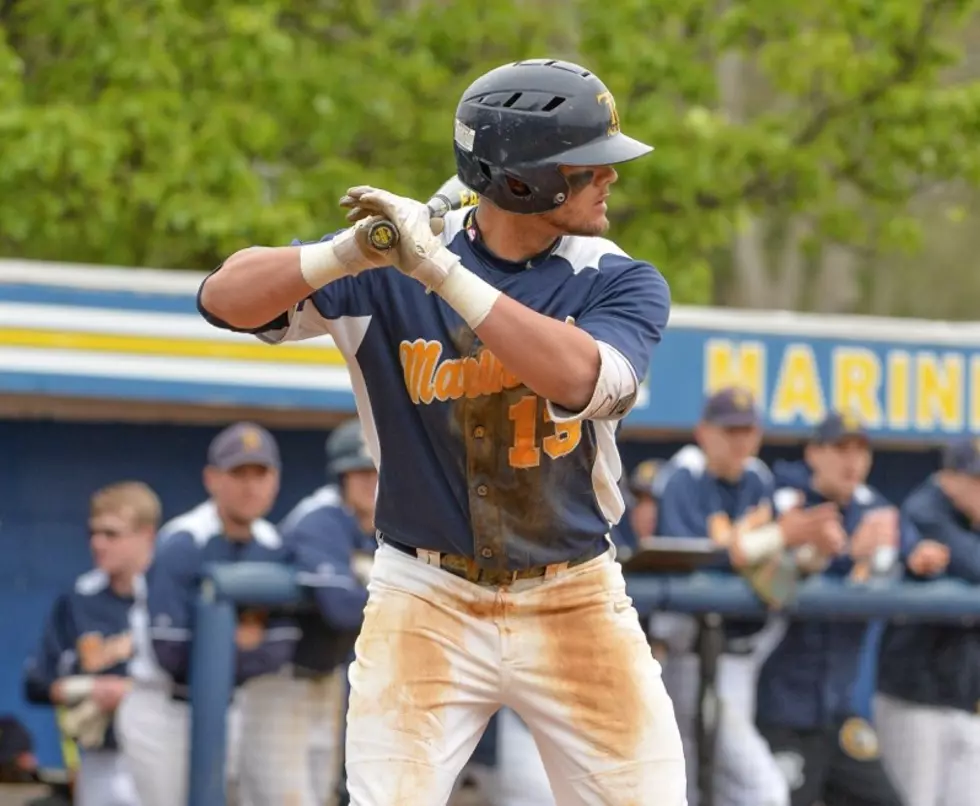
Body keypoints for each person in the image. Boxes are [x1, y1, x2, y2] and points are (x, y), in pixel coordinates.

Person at [198, 57, 685, 806]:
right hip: (426, 594)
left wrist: (437, 272)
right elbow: (222, 300)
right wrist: (351, 251)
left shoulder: (617, 278)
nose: (609, 178)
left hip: (573, 590)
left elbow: (582, 379)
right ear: (524, 181)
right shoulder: (395, 261)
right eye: (589, 166)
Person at [652, 388, 831, 806]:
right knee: (758, 789)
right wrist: (776, 537)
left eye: (748, 430)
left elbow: (771, 571)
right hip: (689, 655)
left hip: (744, 659)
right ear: (703, 432)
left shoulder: (757, 477)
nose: (740, 440)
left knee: (710, 788)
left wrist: (808, 554)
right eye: (729, 430)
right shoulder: (684, 474)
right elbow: (692, 558)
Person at [115, 422, 303, 806]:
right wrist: (246, 640)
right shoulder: (182, 540)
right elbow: (172, 653)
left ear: (275, 481)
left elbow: (283, 647)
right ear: (212, 479)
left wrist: (219, 646)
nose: (250, 486)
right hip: (166, 713)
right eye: (238, 473)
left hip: (233, 709)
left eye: (260, 473)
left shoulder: (274, 544)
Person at [759, 413, 917, 806]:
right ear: (813, 452)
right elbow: (779, 578)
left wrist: (917, 556)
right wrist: (849, 555)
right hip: (782, 704)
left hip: (841, 709)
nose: (852, 461)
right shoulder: (785, 500)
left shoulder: (874, 506)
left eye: (861, 450)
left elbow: (911, 550)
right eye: (840, 448)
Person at [23, 482, 159, 806]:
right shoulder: (79, 599)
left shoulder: (170, 596)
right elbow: (37, 684)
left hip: (161, 751)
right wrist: (90, 689)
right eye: (93, 533)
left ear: (146, 535)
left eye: (112, 534)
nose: (99, 543)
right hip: (99, 758)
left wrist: (129, 693)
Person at [278, 418, 380, 806]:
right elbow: (340, 608)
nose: (370, 481)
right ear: (340, 476)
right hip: (278, 682)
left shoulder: (383, 521)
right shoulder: (318, 518)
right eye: (358, 472)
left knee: (321, 794)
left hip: (326, 677)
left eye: (376, 470)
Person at [875, 437, 979, 806]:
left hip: (961, 696)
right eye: (977, 481)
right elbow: (974, 563)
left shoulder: (969, 517)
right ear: (949, 477)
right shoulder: (924, 510)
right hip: (913, 698)